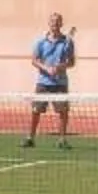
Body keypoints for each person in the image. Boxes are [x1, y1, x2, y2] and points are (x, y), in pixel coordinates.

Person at [25, 11, 76, 148]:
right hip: (43, 82)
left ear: (61, 23)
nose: (55, 24)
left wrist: (59, 67)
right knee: (36, 111)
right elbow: (34, 60)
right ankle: (30, 138)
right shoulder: (40, 42)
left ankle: (62, 140)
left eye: (58, 21)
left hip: (60, 83)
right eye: (53, 21)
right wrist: (46, 68)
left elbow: (71, 62)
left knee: (63, 112)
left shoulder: (67, 42)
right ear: (49, 23)